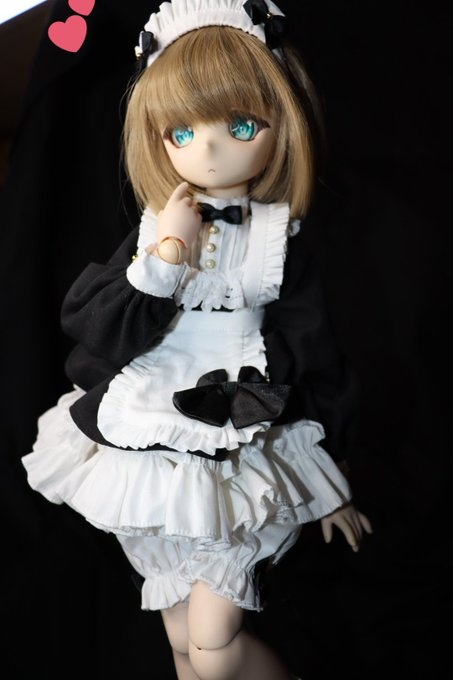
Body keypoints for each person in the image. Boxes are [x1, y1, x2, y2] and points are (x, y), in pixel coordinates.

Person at [22, 1, 372, 678]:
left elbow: (316, 358)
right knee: (183, 640)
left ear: (280, 124)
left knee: (214, 648)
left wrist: (333, 480)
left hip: (241, 449)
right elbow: (95, 334)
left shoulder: (277, 243)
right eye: (182, 132)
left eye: (240, 126)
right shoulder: (156, 231)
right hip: (149, 450)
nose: (208, 150)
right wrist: (164, 260)